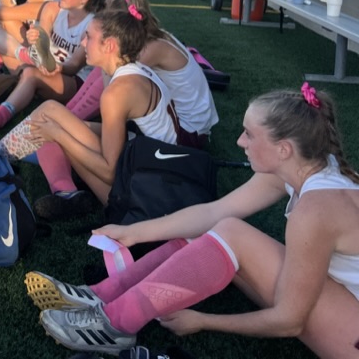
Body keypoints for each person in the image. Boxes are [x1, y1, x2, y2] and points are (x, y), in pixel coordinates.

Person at [26, 85, 359, 358]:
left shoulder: (316, 209)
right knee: (221, 226)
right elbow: (213, 212)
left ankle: (114, 325)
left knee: (232, 232)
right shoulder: (305, 166)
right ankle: (101, 295)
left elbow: (290, 321)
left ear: (284, 149)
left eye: (248, 135)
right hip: (344, 305)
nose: (240, 142)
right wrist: (132, 232)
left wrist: (203, 320)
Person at [6, 10, 179, 220]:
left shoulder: (119, 92)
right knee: (51, 112)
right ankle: (3, 157)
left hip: (139, 200)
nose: (82, 42)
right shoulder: (132, 69)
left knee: (56, 129)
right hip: (150, 166)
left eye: (88, 36)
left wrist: (60, 135)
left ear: (110, 45)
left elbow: (109, 172)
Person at [0, 0, 105, 132]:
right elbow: (43, 45)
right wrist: (35, 38)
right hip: (42, 63)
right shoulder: (53, 8)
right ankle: (21, 72)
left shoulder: (92, 24)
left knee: (30, 74)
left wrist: (57, 67)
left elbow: (74, 65)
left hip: (70, 79)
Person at [111, 0, 218, 148]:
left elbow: (113, 81)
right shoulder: (157, 36)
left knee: (125, 87)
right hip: (197, 125)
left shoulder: (150, 49)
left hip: (188, 133)